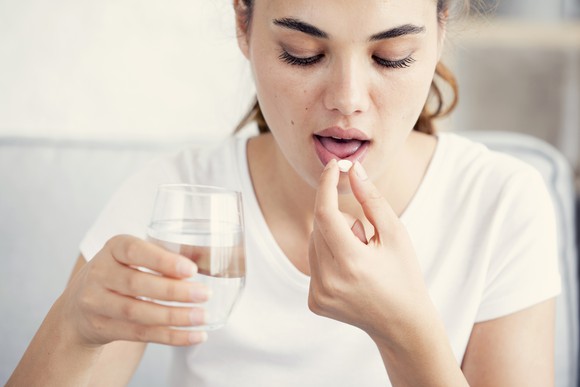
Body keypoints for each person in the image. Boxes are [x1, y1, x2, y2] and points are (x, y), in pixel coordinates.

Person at [8, 0, 561, 386]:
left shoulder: (501, 203)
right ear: (243, 23)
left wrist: (405, 334)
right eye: (302, 52)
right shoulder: (176, 201)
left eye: (390, 57)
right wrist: (74, 326)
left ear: (440, 29)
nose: (347, 101)